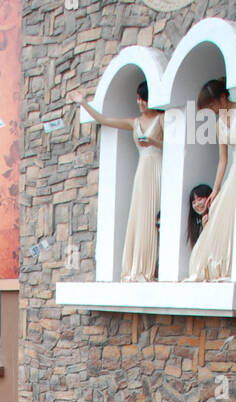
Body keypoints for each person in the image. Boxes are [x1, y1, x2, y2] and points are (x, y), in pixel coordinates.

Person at [81, 81, 164, 281]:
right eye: (138, 99)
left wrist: (153, 142)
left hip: (157, 167)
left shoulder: (162, 118)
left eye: (143, 99)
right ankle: (136, 266)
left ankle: (151, 267)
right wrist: (83, 103)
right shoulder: (133, 122)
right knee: (139, 215)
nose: (140, 103)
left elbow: (173, 144)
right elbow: (104, 119)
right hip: (142, 169)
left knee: (154, 215)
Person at [187, 80, 236, 282]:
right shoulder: (219, 124)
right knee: (217, 209)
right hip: (234, 169)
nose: (212, 110)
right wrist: (215, 189)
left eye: (212, 105)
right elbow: (223, 160)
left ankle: (230, 264)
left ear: (222, 97)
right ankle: (214, 266)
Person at [187, 182, 213, 247]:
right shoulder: (196, 225)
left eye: (200, 199)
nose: (197, 204)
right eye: (194, 202)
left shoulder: (215, 217)